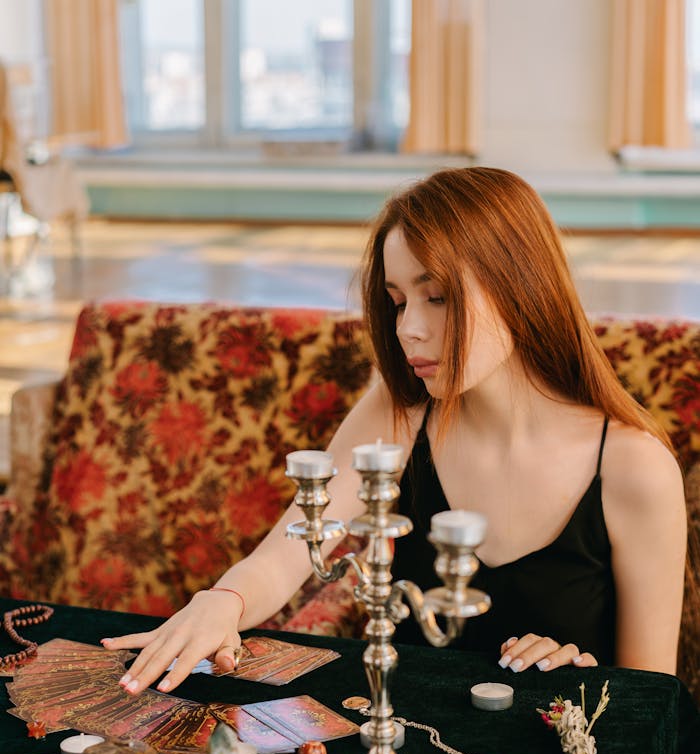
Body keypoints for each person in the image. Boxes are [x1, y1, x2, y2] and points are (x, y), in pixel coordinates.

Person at [102, 166, 687, 697]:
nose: (408, 328)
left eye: (436, 297)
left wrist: (586, 672)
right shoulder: (401, 411)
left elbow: (652, 702)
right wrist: (222, 600)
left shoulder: (633, 466)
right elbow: (287, 556)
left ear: (520, 288)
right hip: (407, 747)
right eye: (398, 300)